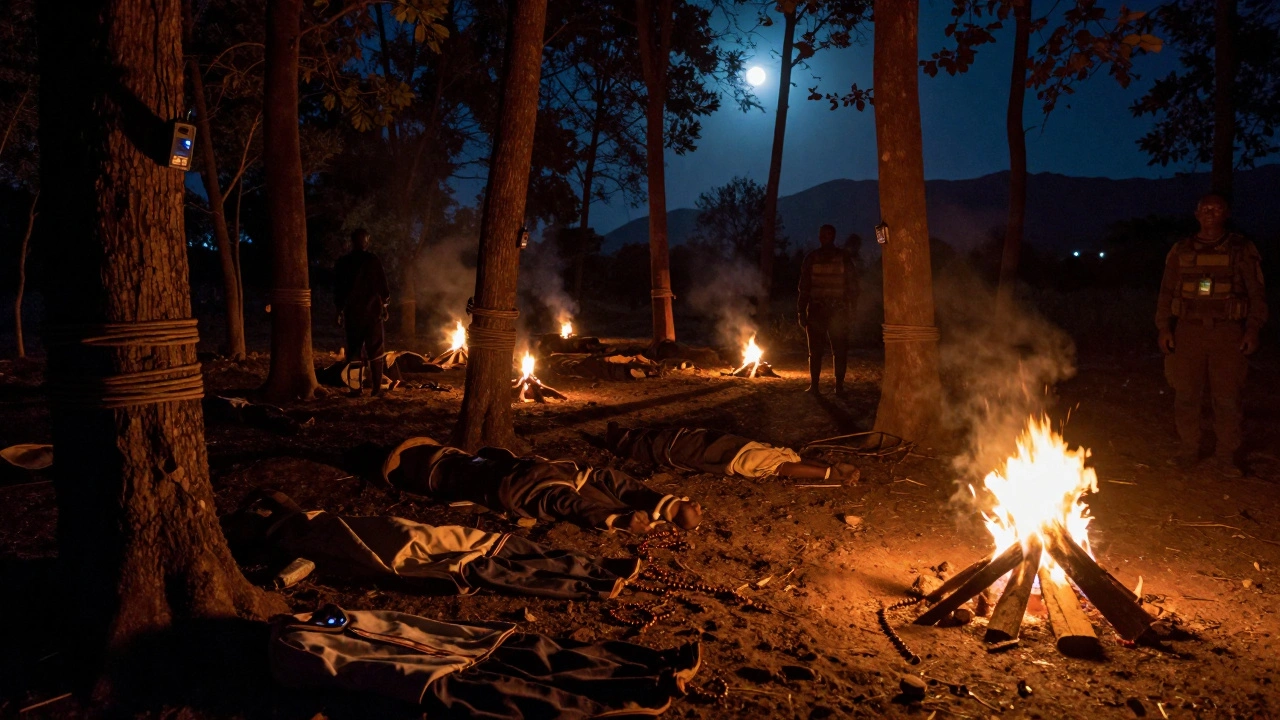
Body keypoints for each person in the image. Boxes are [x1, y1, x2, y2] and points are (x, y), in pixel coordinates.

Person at [1156, 193, 1268, 477]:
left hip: (1227, 332)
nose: (1210, 213)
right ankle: (1188, 451)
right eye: (1205, 208)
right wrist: (1163, 327)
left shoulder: (1241, 249)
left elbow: (1257, 294)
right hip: (1188, 331)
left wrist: (1252, 329)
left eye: (1216, 209)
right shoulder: (1181, 250)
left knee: (1227, 397)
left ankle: (1226, 457)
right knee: (1186, 395)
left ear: (1225, 213)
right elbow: (1166, 292)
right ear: (1196, 213)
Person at [379, 438, 703, 534]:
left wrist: (665, 506)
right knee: (584, 491)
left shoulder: (471, 467)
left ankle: (665, 509)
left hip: (537, 479)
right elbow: (562, 501)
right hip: (526, 485)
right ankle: (659, 510)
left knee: (595, 481)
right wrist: (616, 520)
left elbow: (584, 486)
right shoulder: (463, 475)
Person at [605, 422, 859, 482]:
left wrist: (829, 473)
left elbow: (783, 467)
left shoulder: (769, 460)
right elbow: (783, 466)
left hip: (704, 446)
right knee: (656, 441)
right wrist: (829, 472)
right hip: (706, 446)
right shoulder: (651, 446)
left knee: (657, 443)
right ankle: (624, 437)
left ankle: (623, 438)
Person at [798, 224, 858, 394]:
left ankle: (838, 386)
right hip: (818, 311)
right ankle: (815, 386)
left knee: (839, 351)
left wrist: (852, 310)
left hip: (837, 311)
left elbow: (852, 286)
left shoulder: (841, 258)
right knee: (816, 352)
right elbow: (804, 287)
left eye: (827, 234)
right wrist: (801, 311)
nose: (824, 237)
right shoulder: (812, 258)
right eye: (822, 234)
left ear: (832, 236)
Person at [334, 229, 391, 396]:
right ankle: (376, 388)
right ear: (365, 241)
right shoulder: (373, 260)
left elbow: (338, 290)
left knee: (354, 351)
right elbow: (383, 285)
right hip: (373, 313)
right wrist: (385, 306)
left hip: (353, 314)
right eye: (366, 239)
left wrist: (339, 311)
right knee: (376, 350)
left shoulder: (344, 262)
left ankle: (355, 389)